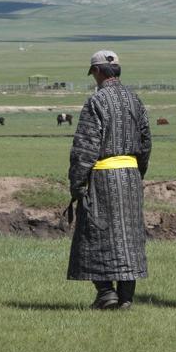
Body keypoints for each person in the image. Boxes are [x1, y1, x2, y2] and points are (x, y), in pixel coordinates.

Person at [67, 49, 152, 309]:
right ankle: (125, 297)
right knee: (129, 237)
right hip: (130, 175)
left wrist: (77, 182)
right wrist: (137, 173)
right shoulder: (135, 100)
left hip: (102, 176)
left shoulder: (96, 102)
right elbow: (146, 142)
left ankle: (106, 293)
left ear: (98, 71)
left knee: (95, 234)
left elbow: (85, 147)